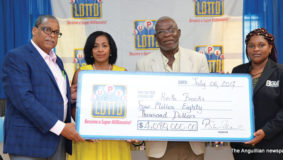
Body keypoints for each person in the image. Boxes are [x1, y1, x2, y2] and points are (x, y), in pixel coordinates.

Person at [1, 15, 84, 160]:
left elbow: (51, 95)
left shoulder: (57, 61)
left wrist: (67, 96)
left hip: (57, 142)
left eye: (56, 32)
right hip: (28, 143)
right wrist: (62, 128)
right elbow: (23, 100)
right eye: (47, 30)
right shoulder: (17, 57)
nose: (52, 35)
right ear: (34, 30)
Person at [136, 16, 209, 160]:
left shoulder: (198, 59)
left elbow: (205, 97)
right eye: (162, 32)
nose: (168, 34)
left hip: (192, 142)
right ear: (156, 37)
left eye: (171, 30)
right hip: (159, 145)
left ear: (179, 33)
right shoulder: (143, 64)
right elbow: (141, 103)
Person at [230, 28, 283, 160]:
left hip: (275, 140)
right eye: (251, 46)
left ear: (270, 48)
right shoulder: (238, 71)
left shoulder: (282, 72)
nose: (256, 49)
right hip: (242, 143)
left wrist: (266, 131)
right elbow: (232, 104)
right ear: (247, 49)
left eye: (261, 45)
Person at [68, 31, 131, 160]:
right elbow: (74, 106)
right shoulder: (81, 73)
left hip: (116, 138)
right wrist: (84, 128)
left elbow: (129, 107)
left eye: (104, 46)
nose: (100, 50)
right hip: (88, 138)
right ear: (90, 50)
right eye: (95, 46)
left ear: (111, 49)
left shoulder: (123, 73)